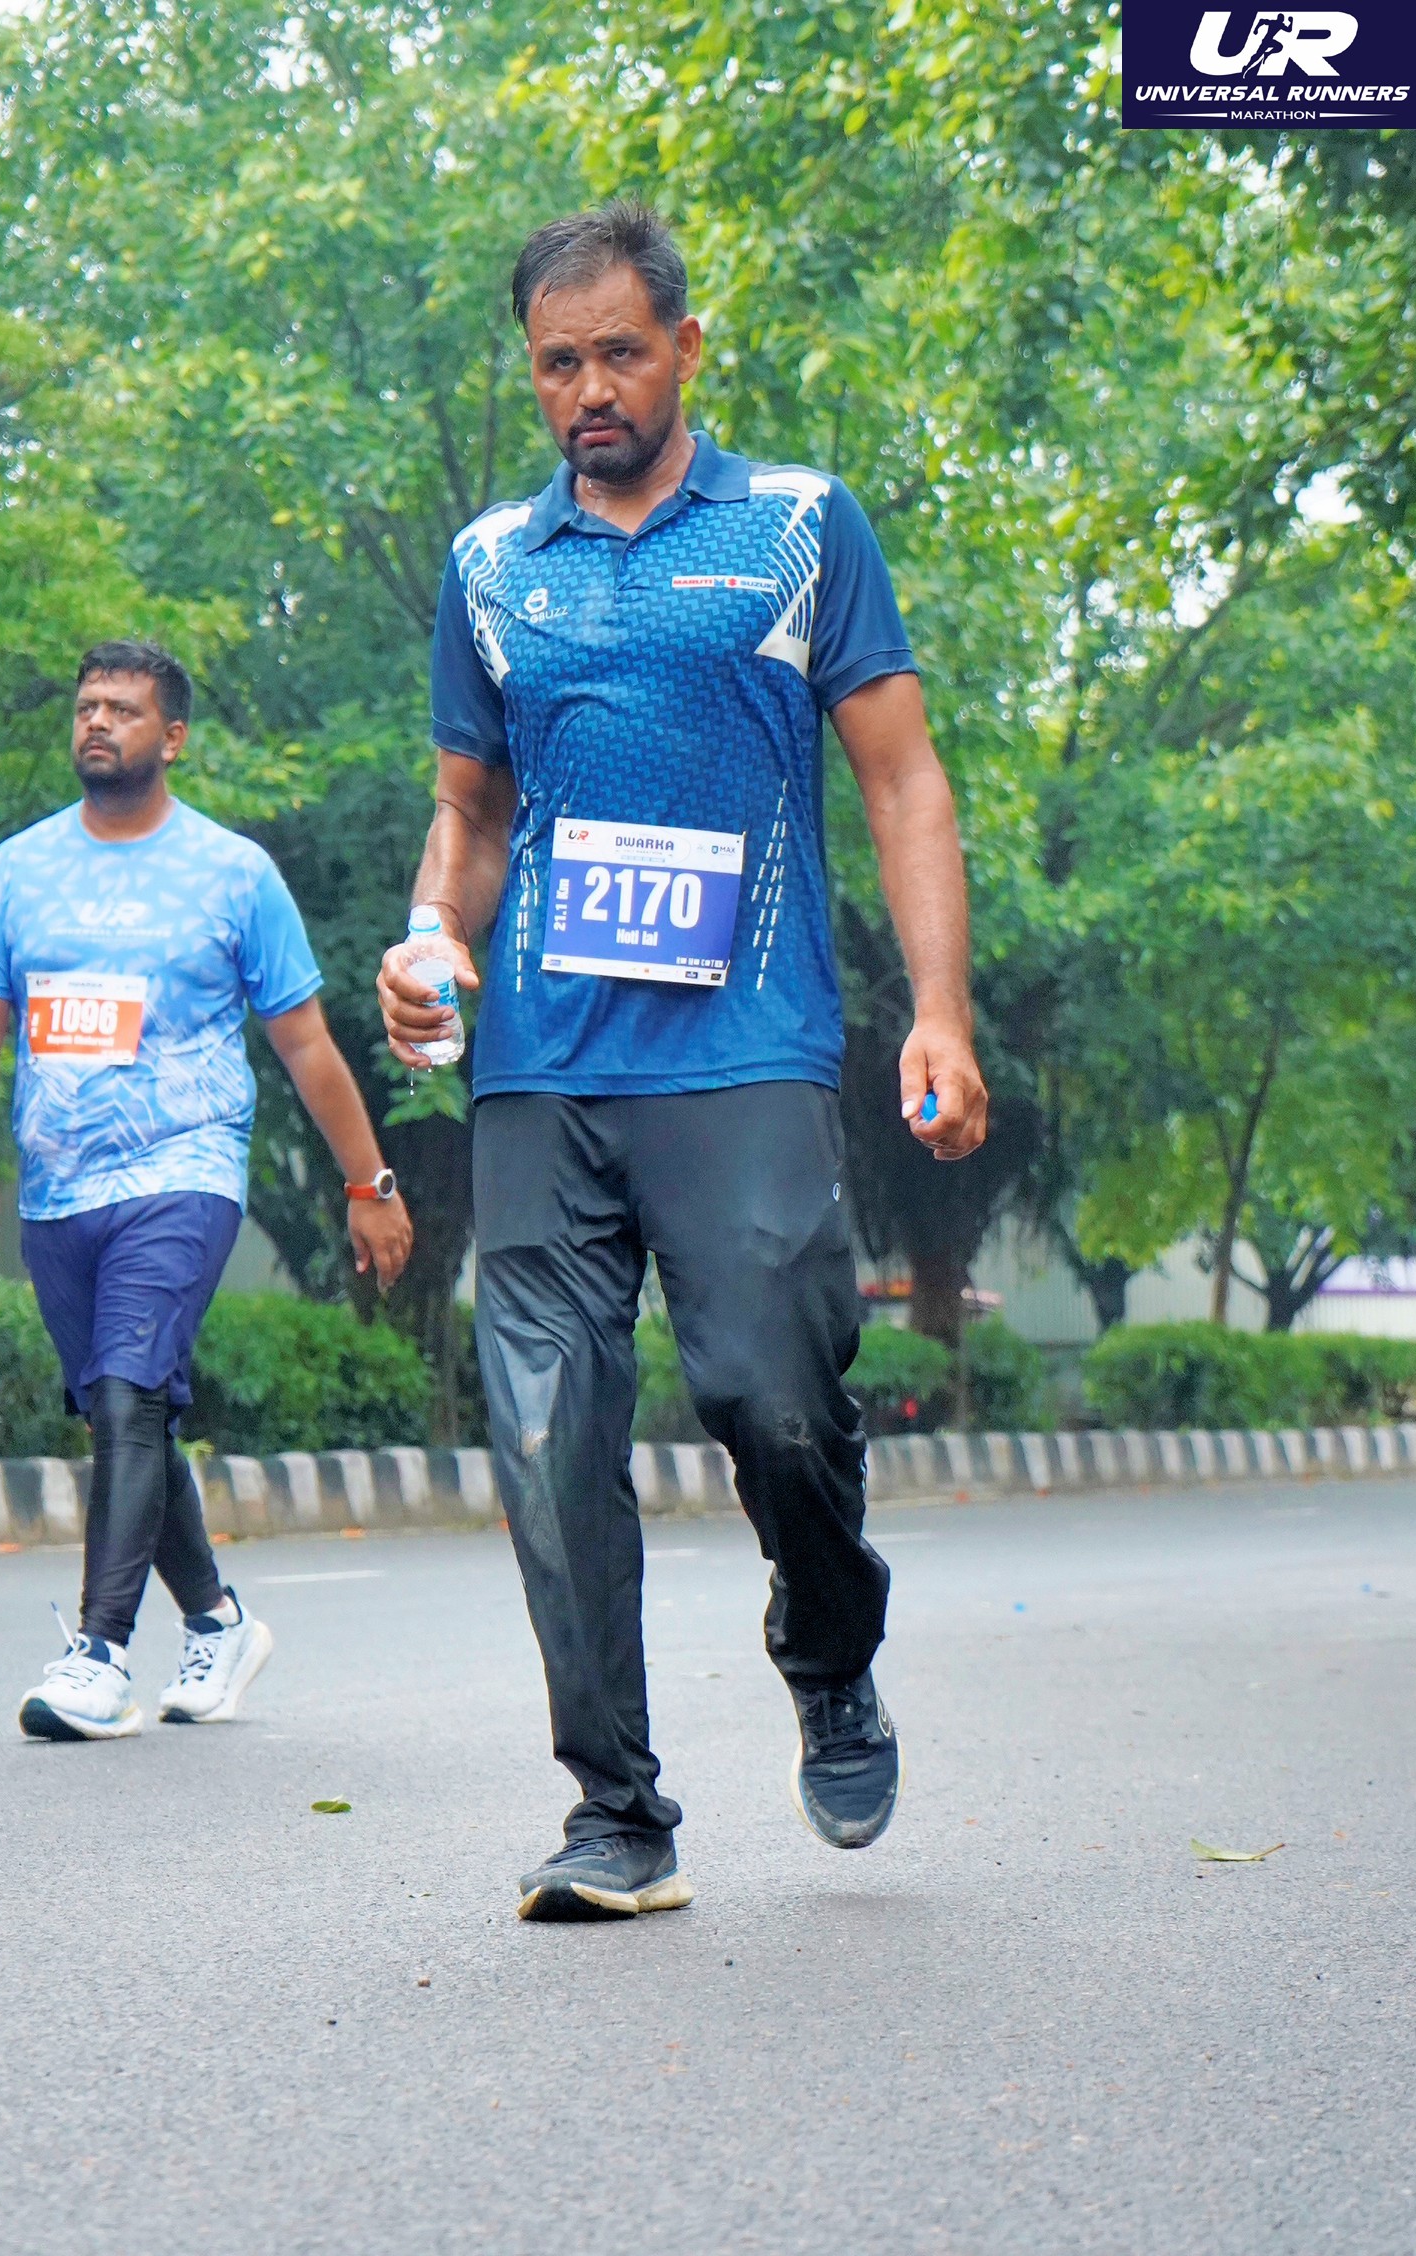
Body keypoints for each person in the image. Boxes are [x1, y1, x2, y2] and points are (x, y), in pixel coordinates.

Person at [378, 203, 987, 1924]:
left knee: (779, 1400)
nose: (589, 390)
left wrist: (937, 1010)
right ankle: (617, 1813)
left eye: (620, 355)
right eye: (557, 364)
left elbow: (902, 779)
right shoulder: (491, 565)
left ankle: (829, 1646)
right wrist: (429, 941)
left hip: (742, 1048)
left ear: (687, 349)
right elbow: (470, 814)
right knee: (547, 1433)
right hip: (542, 1063)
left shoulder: (799, 524)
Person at [0, 639, 413, 1742]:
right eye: (87, 706)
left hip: (184, 1170)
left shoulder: (233, 873)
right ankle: (219, 1621)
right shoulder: (16, 871)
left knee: (127, 1396)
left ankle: (99, 1655)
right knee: (128, 1412)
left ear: (174, 737)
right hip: (59, 1192)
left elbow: (304, 1042)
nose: (98, 722)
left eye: (123, 708)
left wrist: (369, 1179)